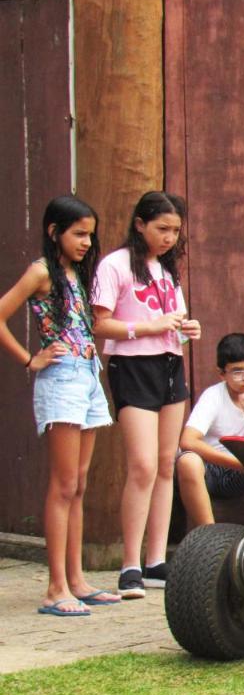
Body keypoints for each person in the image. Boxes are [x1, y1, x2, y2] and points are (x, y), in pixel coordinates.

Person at [0, 196, 118, 616]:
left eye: (90, 233)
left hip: (87, 375)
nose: (87, 241)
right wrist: (30, 359)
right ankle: (55, 587)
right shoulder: (40, 271)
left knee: (80, 484)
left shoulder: (76, 273)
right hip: (62, 378)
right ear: (55, 232)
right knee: (63, 484)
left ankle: (76, 579)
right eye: (78, 233)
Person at [92, 192, 201, 598]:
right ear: (140, 224)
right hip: (133, 366)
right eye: (162, 229)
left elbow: (176, 320)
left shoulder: (167, 269)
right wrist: (149, 328)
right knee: (141, 465)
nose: (169, 237)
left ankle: (156, 560)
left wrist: (188, 329)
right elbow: (101, 324)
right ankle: (130, 564)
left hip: (170, 364)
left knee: (165, 464)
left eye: (175, 230)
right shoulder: (115, 264)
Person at [176, 333, 244, 526]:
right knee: (188, 461)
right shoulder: (214, 395)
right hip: (214, 469)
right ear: (222, 374)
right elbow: (188, 440)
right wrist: (235, 463)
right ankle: (208, 534)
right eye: (237, 371)